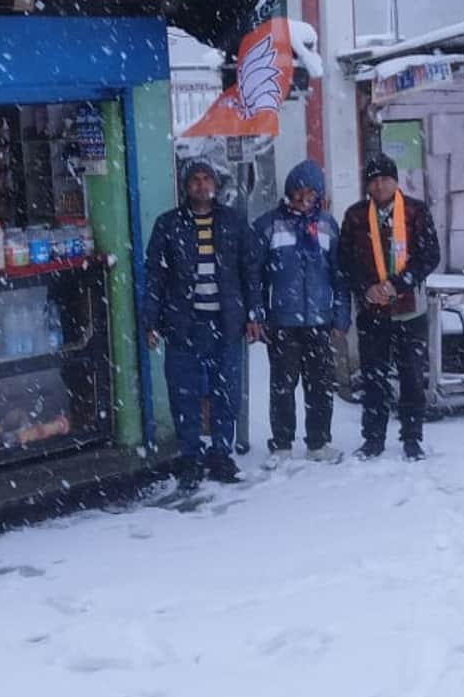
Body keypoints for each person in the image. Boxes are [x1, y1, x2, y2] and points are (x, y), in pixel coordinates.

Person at [143, 158, 263, 492]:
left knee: (227, 392)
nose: (201, 185)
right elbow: (155, 276)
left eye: (206, 178)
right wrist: (150, 321)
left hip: (226, 323)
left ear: (216, 184)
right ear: (185, 186)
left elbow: (250, 272)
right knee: (185, 394)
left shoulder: (234, 222)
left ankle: (221, 453)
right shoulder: (168, 225)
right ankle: (190, 458)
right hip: (184, 324)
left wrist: (254, 314)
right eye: (194, 179)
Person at [339, 153, 442, 461]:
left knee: (411, 375)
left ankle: (412, 437)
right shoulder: (356, 216)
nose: (380, 184)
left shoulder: (415, 211)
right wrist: (366, 288)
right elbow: (344, 261)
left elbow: (430, 255)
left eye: (386, 178)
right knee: (373, 377)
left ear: (396, 181)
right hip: (372, 312)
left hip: (409, 309)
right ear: (368, 186)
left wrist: (399, 283)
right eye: (374, 180)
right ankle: (373, 438)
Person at [252, 160, 351, 464]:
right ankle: (282, 443)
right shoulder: (269, 225)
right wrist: (257, 312)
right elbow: (254, 276)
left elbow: (339, 274)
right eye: (298, 193)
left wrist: (341, 313)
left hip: (319, 320)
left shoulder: (327, 226)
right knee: (282, 385)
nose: (303, 200)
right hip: (283, 319)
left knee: (320, 385)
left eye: (310, 195)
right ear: (288, 193)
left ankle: (318, 442)